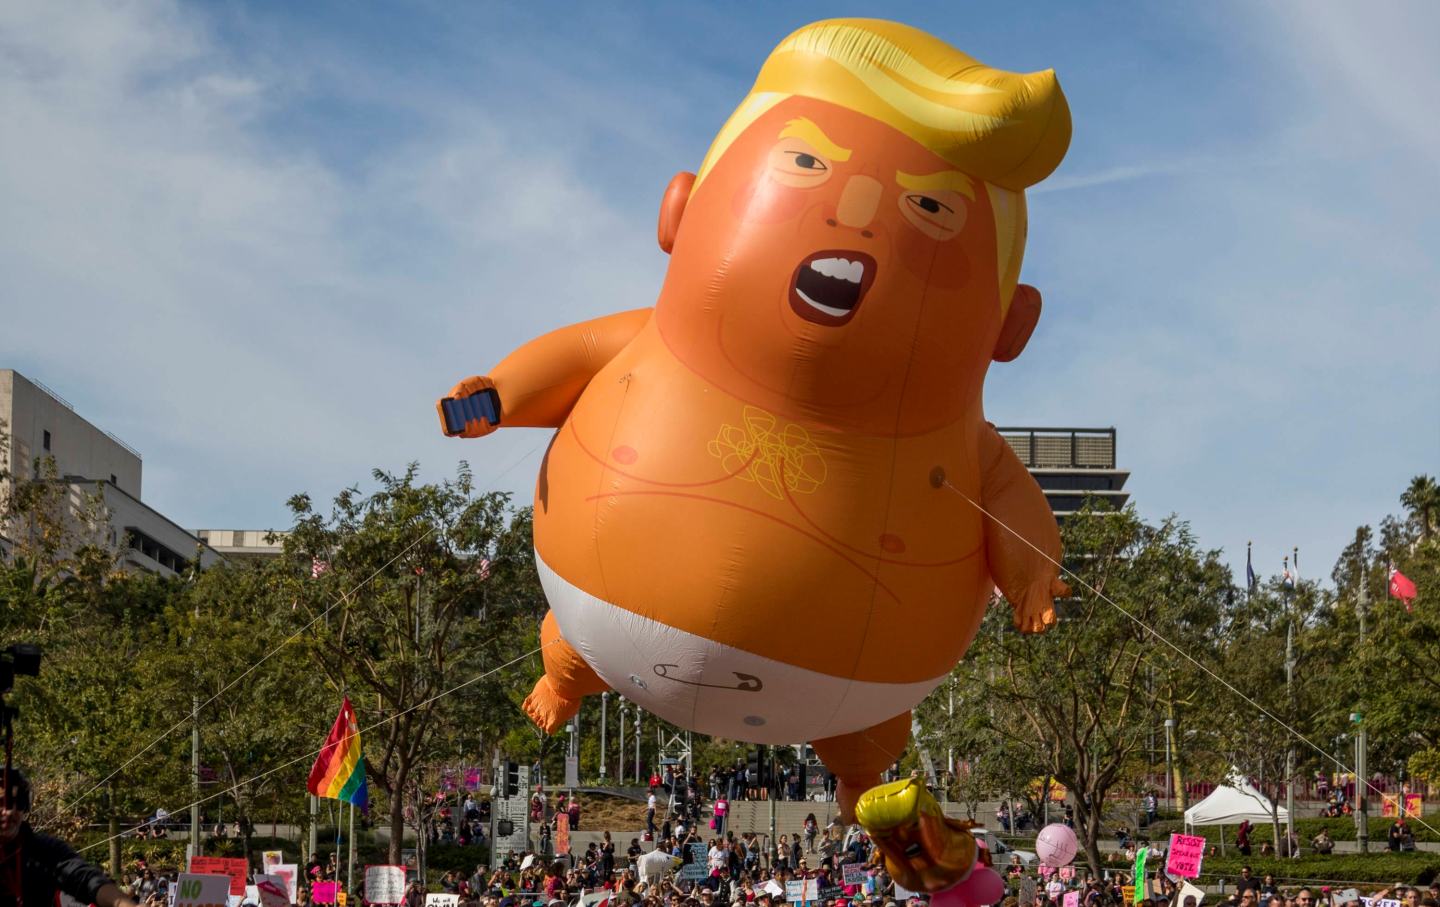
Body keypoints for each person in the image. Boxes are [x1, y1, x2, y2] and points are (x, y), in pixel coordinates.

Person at [1, 770, 143, 907]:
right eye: (1, 802)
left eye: (18, 802)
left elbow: (86, 879)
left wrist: (122, 904)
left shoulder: (44, 849)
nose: (10, 811)